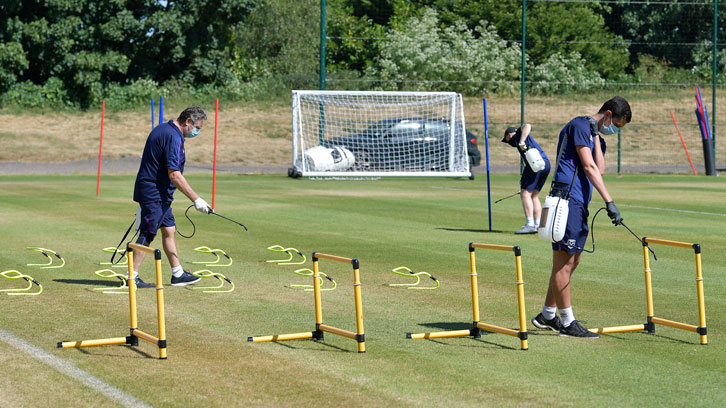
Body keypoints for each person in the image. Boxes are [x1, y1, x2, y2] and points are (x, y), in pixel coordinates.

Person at [531, 96, 631, 338]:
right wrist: (609, 202)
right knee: (563, 262)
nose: (613, 131)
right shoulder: (579, 125)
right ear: (607, 115)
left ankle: (547, 315)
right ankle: (567, 322)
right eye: (614, 125)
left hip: (579, 202)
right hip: (566, 200)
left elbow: (600, 168)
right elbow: (587, 167)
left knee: (572, 261)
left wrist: (597, 135)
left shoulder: (593, 135)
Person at [130, 106, 212, 288]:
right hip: (153, 192)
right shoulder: (173, 137)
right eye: (197, 127)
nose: (197, 132)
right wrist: (196, 199)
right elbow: (174, 174)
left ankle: (178, 274)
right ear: (188, 121)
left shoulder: (165, 129)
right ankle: (131, 278)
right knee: (147, 233)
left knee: (169, 229)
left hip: (160, 193)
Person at [501, 124, 551, 234]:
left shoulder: (519, 134)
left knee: (525, 193)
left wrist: (521, 141)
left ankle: (530, 224)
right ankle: (538, 224)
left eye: (507, 140)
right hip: (546, 163)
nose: (508, 143)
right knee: (534, 195)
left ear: (509, 135)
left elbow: (527, 125)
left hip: (536, 164)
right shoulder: (520, 137)